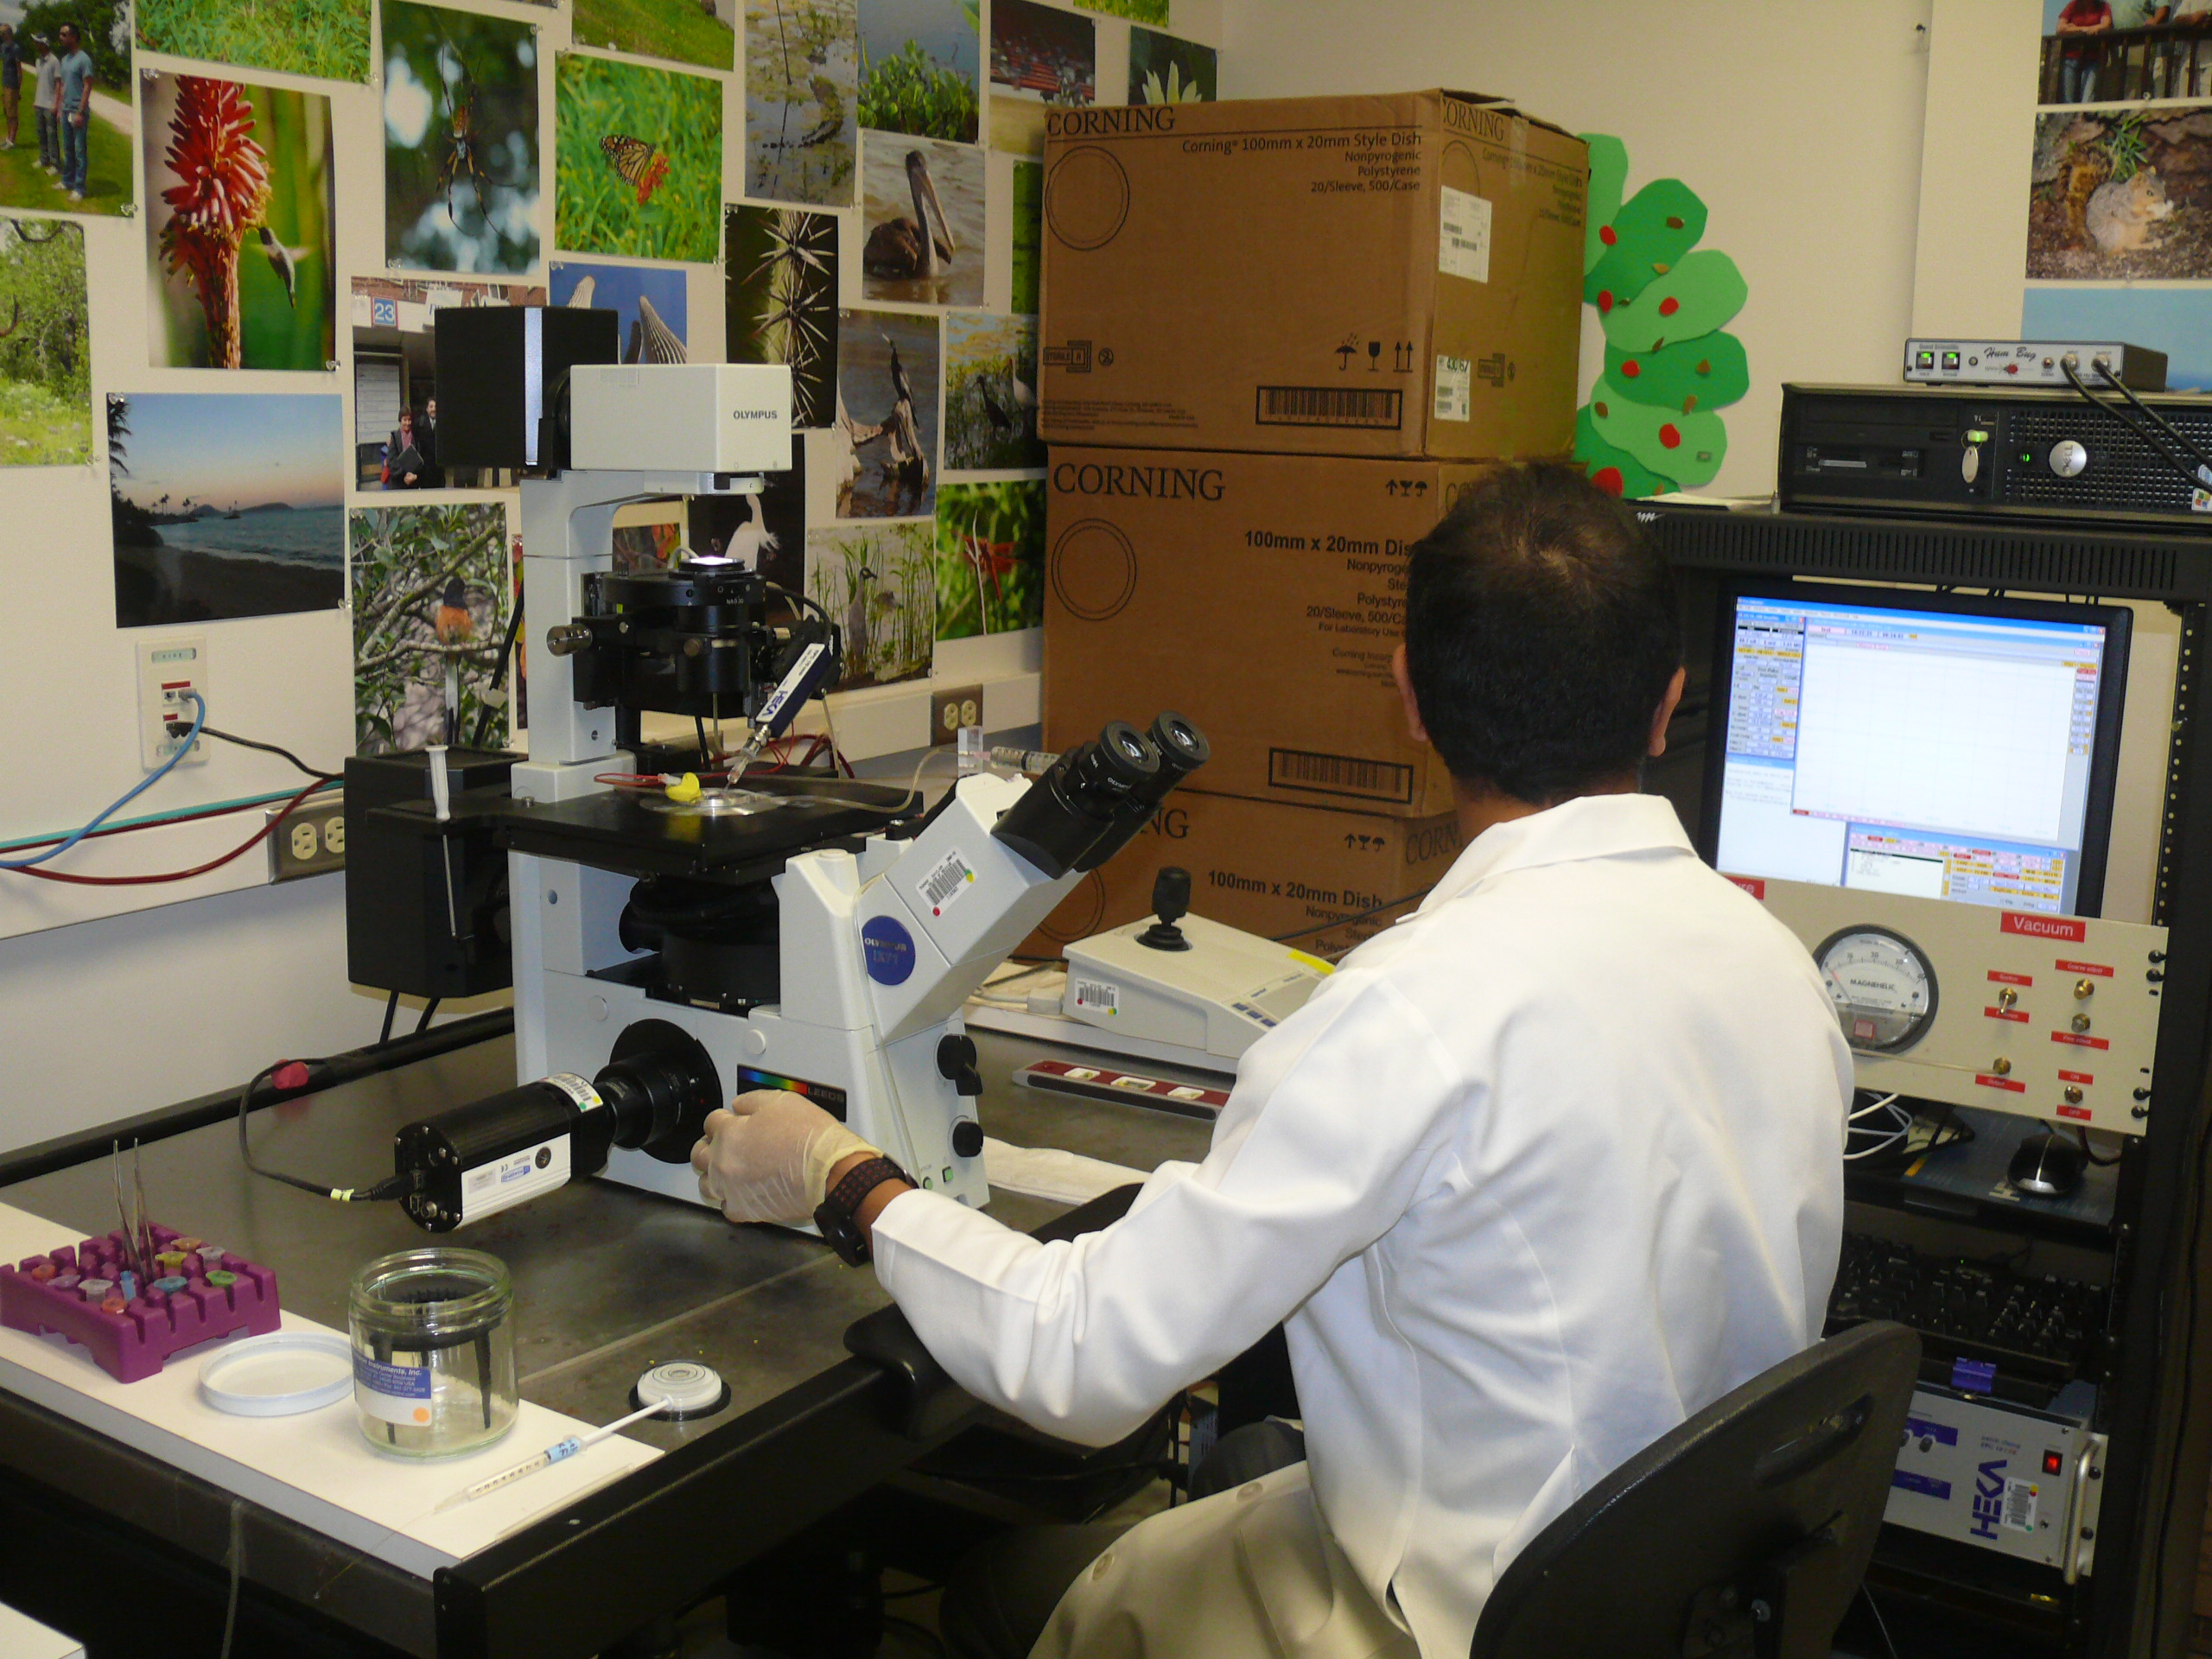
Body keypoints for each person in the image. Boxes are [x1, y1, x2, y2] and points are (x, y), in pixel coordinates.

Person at [692, 463, 1853, 1659]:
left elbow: (1082, 1363)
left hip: (1457, 1624)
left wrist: (840, 1172)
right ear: (1667, 707)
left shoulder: (1412, 1009)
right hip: (1658, 1600)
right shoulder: (1780, 969)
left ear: (1409, 698)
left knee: (1023, 1592)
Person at [54, 22, 90, 201]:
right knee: (68, 149)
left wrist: (80, 112)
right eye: (60, 34)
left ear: (73, 37)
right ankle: (67, 181)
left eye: (64, 34)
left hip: (77, 110)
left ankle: (79, 188)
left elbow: (88, 86)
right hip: (66, 109)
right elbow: (63, 86)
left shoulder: (84, 59)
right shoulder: (65, 60)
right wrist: (60, 109)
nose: (60, 37)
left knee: (79, 151)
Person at [2056, 0, 2114, 102]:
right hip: (2071, 57)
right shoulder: (2073, 5)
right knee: (2067, 99)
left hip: (2093, 58)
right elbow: (2060, 28)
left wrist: (2073, 28)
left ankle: (2084, 113)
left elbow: (2106, 25)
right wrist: (2083, 29)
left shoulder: (2103, 6)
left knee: (2087, 99)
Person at [29, 35, 54, 175]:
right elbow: (40, 82)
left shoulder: (54, 61)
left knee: (51, 135)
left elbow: (58, 84)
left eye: (37, 42)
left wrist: (56, 104)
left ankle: (55, 163)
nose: (35, 44)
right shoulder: (38, 61)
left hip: (50, 104)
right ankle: (44, 158)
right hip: (39, 102)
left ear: (44, 44)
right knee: (41, 133)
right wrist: (36, 100)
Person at [384, 409, 424, 489]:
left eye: (409, 420)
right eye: (405, 420)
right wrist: (405, 473)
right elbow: (391, 462)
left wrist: (413, 475)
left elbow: (419, 461)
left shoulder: (416, 438)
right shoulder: (394, 438)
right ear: (400, 420)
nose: (407, 423)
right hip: (397, 484)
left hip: (412, 484)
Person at [0, 26, 22, 153]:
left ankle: (12, 140)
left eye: (3, 33)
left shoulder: (15, 48)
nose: (1, 35)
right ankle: (8, 138)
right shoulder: (3, 47)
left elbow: (19, 70)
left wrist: (18, 88)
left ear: (9, 33)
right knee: (7, 112)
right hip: (5, 83)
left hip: (13, 84)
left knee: (12, 113)